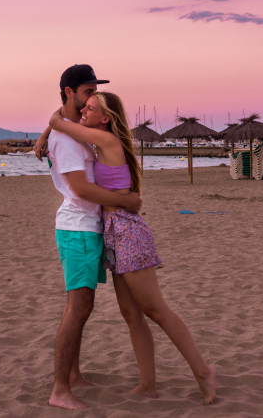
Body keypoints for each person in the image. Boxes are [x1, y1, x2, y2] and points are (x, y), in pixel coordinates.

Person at [48, 91, 216, 405]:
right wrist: (45, 137)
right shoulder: (101, 142)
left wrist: (51, 124)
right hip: (112, 233)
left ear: (106, 118)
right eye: (84, 105)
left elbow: (63, 122)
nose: (84, 110)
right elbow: (68, 128)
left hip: (126, 232)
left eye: (91, 108)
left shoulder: (107, 142)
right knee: (131, 314)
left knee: (156, 310)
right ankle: (148, 385)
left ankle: (203, 371)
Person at [34, 65, 142, 411]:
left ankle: (75, 375)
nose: (88, 102)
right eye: (85, 93)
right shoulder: (67, 140)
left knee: (81, 307)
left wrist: (44, 132)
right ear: (68, 92)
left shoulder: (71, 130)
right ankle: (60, 389)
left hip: (86, 227)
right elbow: (80, 189)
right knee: (78, 308)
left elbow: (57, 122)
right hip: (78, 228)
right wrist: (126, 201)